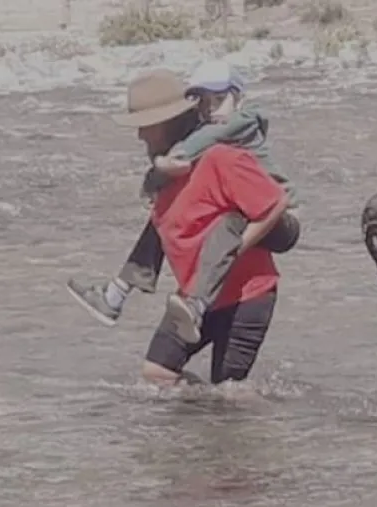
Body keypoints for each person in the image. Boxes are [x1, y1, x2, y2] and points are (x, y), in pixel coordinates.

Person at [66, 61, 300, 345]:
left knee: (228, 224)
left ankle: (195, 303)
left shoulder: (236, 123)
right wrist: (158, 174)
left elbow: (189, 151)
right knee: (166, 210)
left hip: (283, 219)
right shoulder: (205, 129)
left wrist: (160, 167)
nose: (212, 109)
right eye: (205, 102)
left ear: (239, 98)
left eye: (219, 100)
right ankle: (117, 293)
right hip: (252, 211)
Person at [107, 68, 288, 385]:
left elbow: (276, 202)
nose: (140, 136)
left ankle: (253, 411)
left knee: (228, 394)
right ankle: (201, 412)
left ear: (169, 122)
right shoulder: (164, 175)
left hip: (246, 297)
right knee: (157, 375)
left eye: (146, 126)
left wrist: (235, 250)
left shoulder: (221, 157)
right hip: (191, 299)